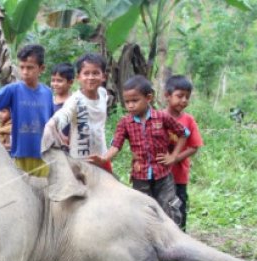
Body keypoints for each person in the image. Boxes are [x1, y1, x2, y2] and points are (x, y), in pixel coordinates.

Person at [90, 75, 188, 224]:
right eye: (127, 102)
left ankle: (172, 240)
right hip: (140, 176)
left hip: (163, 174)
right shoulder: (125, 122)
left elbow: (183, 133)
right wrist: (104, 159)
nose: (130, 105)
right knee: (143, 211)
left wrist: (174, 156)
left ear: (148, 98)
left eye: (135, 101)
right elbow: (116, 145)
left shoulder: (161, 117)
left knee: (168, 208)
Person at [0, 44, 54, 177]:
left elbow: (52, 121)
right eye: (22, 67)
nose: (25, 72)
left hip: (44, 153)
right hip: (21, 154)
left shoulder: (47, 93)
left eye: (30, 67)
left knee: (46, 190)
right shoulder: (13, 90)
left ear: (41, 68)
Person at [43, 52, 113, 174]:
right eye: (86, 73)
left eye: (95, 73)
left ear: (104, 76)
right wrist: (52, 125)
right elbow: (63, 115)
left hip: (102, 156)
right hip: (80, 161)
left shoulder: (103, 93)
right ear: (78, 77)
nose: (91, 77)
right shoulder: (74, 101)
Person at [163, 75, 203, 231]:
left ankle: (181, 235)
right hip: (160, 174)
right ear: (167, 95)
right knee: (160, 206)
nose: (184, 100)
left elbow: (194, 146)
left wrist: (175, 158)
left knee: (179, 205)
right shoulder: (158, 118)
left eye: (187, 97)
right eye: (179, 96)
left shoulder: (189, 120)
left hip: (179, 175)